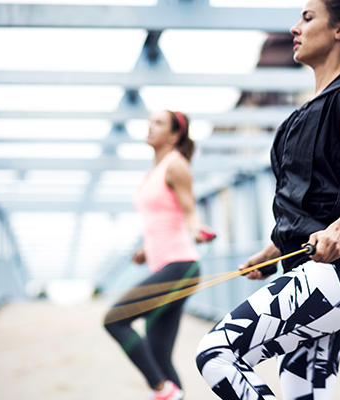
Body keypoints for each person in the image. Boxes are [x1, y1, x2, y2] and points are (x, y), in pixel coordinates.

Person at [196, 0, 340, 399]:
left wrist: (339, 232)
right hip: (314, 272)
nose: (295, 27)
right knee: (305, 393)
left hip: (337, 276)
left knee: (217, 353)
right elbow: (310, 201)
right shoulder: (310, 109)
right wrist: (271, 251)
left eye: (307, 17)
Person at [104, 110, 214, 400]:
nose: (150, 127)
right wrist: (146, 249)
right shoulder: (154, 170)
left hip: (180, 266)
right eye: (150, 122)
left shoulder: (176, 166)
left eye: (158, 124)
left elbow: (189, 212)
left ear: (175, 135)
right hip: (164, 262)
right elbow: (163, 218)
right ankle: (169, 390)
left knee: (114, 320)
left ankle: (161, 390)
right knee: (159, 355)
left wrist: (197, 230)